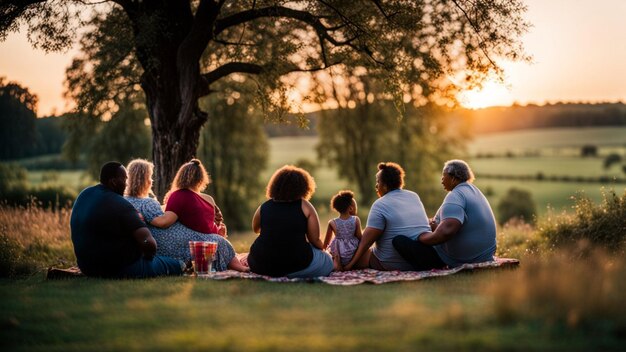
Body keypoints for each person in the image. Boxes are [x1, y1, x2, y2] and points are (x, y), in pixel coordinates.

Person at [124, 159, 248, 272]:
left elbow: (164, 216)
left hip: (163, 242)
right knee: (219, 242)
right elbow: (163, 221)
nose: (152, 181)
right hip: (168, 242)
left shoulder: (125, 201)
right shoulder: (149, 203)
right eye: (150, 177)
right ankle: (239, 267)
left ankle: (235, 264)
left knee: (216, 241)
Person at [70, 161, 183, 278]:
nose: (127, 184)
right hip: (120, 268)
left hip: (87, 267)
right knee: (178, 264)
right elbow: (149, 243)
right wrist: (148, 256)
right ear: (113, 182)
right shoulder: (121, 205)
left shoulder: (84, 195)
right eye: (124, 179)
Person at [393, 159, 497, 270]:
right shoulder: (473, 191)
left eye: (444, 176)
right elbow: (455, 225)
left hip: (464, 259)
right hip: (484, 256)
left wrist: (420, 237)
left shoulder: (456, 195)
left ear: (453, 178)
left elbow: (446, 232)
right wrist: (434, 225)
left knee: (399, 241)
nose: (442, 180)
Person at [247, 165, 333, 278]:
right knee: (327, 260)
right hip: (297, 264)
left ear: (275, 186)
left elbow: (256, 229)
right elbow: (315, 240)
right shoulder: (306, 206)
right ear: (303, 187)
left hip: (260, 265)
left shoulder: (264, 207)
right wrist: (325, 250)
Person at [344, 162, 431, 271]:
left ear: (385, 186)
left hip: (391, 263)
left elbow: (365, 243)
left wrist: (350, 264)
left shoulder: (380, 204)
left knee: (349, 252)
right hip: (416, 259)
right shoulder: (414, 196)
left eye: (378, 182)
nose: (376, 186)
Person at [163, 159, 227, 237]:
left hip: (195, 242)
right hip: (215, 240)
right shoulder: (209, 199)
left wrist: (150, 218)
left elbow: (165, 222)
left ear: (179, 177)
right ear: (201, 179)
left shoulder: (178, 195)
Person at [323, 190, 362, 270]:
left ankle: (336, 262)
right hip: (352, 253)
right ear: (350, 208)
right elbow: (360, 237)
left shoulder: (332, 222)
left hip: (339, 253)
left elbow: (326, 243)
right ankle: (351, 263)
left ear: (336, 208)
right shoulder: (355, 220)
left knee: (332, 251)